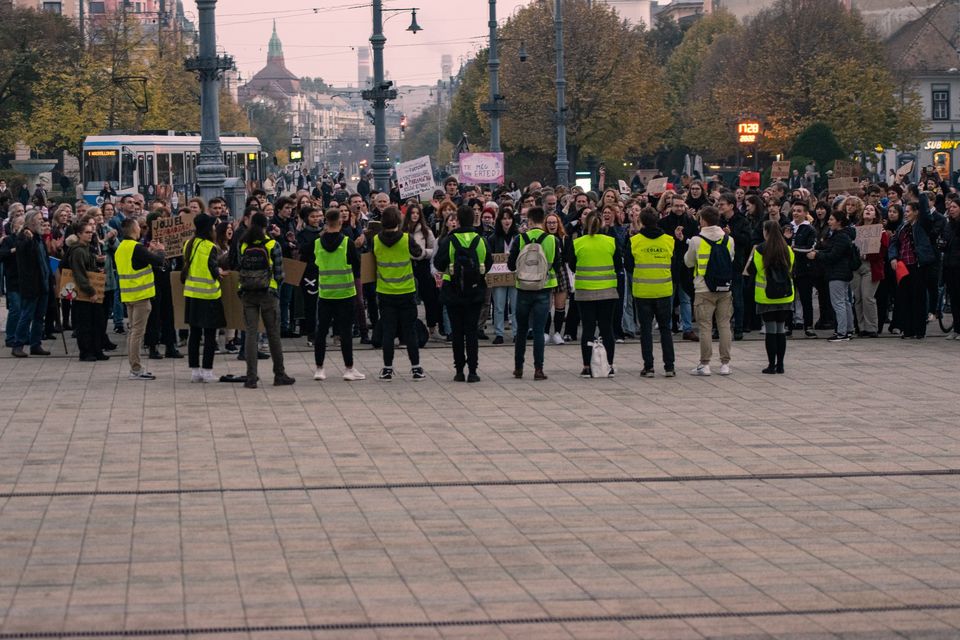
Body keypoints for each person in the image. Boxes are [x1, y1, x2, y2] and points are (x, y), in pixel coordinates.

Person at [236, 213, 296, 388]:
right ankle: (279, 374)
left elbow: (240, 266)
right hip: (268, 292)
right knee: (273, 335)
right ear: (266, 226)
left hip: (247, 292)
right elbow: (279, 273)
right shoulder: (272, 244)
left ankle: (251, 377)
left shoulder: (243, 244)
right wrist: (276, 286)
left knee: (251, 334)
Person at [434, 204, 493, 382]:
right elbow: (488, 263)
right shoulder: (481, 240)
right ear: (473, 219)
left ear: (457, 220)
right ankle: (473, 371)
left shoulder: (449, 240)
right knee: (472, 332)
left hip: (453, 291)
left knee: (457, 332)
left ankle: (459, 370)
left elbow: (438, 263)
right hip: (475, 292)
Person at [507, 206, 564, 380]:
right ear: (543, 220)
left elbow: (511, 265)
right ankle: (538, 369)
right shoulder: (552, 240)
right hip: (544, 288)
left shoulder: (520, 239)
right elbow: (556, 264)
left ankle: (518, 368)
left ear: (529, 221)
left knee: (522, 330)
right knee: (539, 330)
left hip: (523, 288)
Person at [313, 207, 365, 381]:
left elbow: (317, 263)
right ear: (341, 221)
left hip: (326, 293)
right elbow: (356, 265)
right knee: (345, 332)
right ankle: (349, 369)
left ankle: (319, 368)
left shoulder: (318, 243)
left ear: (326, 221)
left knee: (321, 331)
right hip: (345, 292)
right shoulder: (347, 242)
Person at [373, 205, 425, 380]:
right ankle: (416, 368)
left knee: (388, 331)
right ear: (399, 220)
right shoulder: (406, 238)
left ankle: (387, 369)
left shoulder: (376, 240)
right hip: (406, 290)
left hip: (385, 291)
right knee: (409, 331)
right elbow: (418, 253)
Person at [566, 211, 620, 377]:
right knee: (606, 329)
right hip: (608, 291)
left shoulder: (577, 243)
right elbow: (618, 264)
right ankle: (609, 365)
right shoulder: (611, 241)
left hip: (585, 291)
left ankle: (586, 366)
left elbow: (572, 265)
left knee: (588, 329)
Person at [682, 206, 734, 376]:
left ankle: (705, 365)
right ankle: (725, 364)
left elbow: (688, 263)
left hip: (703, 288)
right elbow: (731, 259)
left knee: (705, 327)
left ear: (703, 220)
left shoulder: (697, 240)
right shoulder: (728, 239)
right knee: (724, 325)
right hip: (725, 287)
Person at [626, 206, 675, 378]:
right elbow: (675, 264)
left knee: (646, 330)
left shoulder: (634, 241)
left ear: (641, 221)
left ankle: (649, 367)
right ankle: (669, 367)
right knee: (665, 330)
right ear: (658, 219)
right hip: (663, 289)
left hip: (643, 291)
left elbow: (629, 266)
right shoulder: (669, 240)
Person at [115, 218, 166, 380]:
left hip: (128, 295)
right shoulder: (135, 247)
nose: (141, 229)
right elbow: (158, 261)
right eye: (139, 227)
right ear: (133, 230)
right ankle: (136, 368)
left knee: (133, 332)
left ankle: (134, 367)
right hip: (140, 295)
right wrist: (160, 250)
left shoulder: (121, 247)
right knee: (137, 332)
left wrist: (149, 251)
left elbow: (138, 262)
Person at [182, 213, 227, 382]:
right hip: (209, 295)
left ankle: (195, 371)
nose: (215, 229)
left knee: (194, 334)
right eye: (213, 226)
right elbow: (213, 269)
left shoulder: (188, 243)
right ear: (209, 229)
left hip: (191, 294)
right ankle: (207, 370)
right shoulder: (210, 247)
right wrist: (220, 272)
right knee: (209, 334)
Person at [747, 220, 795, 373]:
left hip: (766, 295)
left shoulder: (760, 250)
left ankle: (771, 365)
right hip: (785, 295)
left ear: (765, 232)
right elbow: (791, 268)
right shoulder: (787, 249)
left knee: (770, 330)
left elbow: (756, 270)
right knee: (781, 329)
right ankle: (780, 365)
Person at [889, 191, 936, 339]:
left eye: (909, 211)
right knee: (904, 298)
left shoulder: (922, 225)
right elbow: (894, 243)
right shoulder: (902, 227)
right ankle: (907, 329)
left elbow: (927, 214)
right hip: (904, 267)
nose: (906, 214)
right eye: (905, 211)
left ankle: (919, 330)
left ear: (916, 212)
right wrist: (893, 257)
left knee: (918, 298)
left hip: (918, 266)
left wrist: (919, 193)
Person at [808, 210, 856, 342]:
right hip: (842, 273)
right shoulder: (840, 235)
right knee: (845, 302)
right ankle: (848, 329)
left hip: (838, 273)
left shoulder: (841, 236)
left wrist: (817, 255)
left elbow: (833, 256)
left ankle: (841, 332)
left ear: (839, 222)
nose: (829, 222)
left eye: (832, 220)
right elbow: (830, 251)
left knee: (839, 303)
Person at [67, 222, 109, 362]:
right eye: (87, 232)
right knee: (85, 324)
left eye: (91, 232)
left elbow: (89, 268)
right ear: (79, 234)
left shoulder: (87, 249)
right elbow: (79, 273)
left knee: (97, 322)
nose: (90, 235)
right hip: (84, 293)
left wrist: (98, 270)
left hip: (92, 290)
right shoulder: (78, 251)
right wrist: (90, 291)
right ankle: (86, 352)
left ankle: (97, 350)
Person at [11, 212, 51, 358]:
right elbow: (21, 251)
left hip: (43, 282)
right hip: (31, 283)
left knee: (40, 316)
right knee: (27, 315)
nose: (42, 222)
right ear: (31, 222)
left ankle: (36, 344)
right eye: (39, 219)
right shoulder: (24, 237)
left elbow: (44, 259)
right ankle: (18, 344)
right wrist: (28, 238)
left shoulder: (39, 238)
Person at [490, 207, 519, 344]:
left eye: (509, 218)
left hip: (515, 276)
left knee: (515, 306)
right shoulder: (493, 237)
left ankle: (516, 333)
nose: (507, 221)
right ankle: (499, 333)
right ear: (499, 221)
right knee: (499, 306)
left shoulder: (518, 236)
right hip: (499, 277)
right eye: (504, 218)